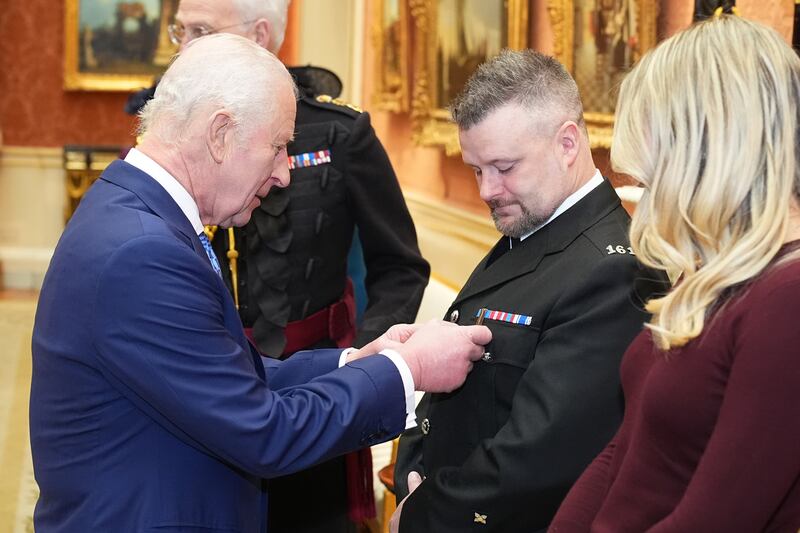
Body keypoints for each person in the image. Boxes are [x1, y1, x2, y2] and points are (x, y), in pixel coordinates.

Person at [29, 34, 491, 533]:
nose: (284, 173)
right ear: (220, 133)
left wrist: (356, 361)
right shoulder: (143, 252)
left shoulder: (137, 215)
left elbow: (223, 374)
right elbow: (264, 432)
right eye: (277, 147)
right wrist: (409, 368)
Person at [162, 2, 431, 530]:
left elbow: (399, 265)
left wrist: (367, 357)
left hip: (317, 391)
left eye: (202, 31)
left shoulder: (338, 135)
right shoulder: (182, 132)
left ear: (260, 34)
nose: (184, 47)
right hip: (207, 385)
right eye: (181, 30)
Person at [391, 49, 670, 533]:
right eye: (477, 169)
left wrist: (423, 514)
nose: (486, 190)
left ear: (567, 144)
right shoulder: (531, 232)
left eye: (504, 166)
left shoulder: (611, 271)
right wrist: (412, 475)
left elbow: (542, 455)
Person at [549, 15, 800, 532]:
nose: (644, 201)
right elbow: (630, 449)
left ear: (709, 154)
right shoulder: (715, 269)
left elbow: (717, 519)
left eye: (652, 175)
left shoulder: (786, 299)